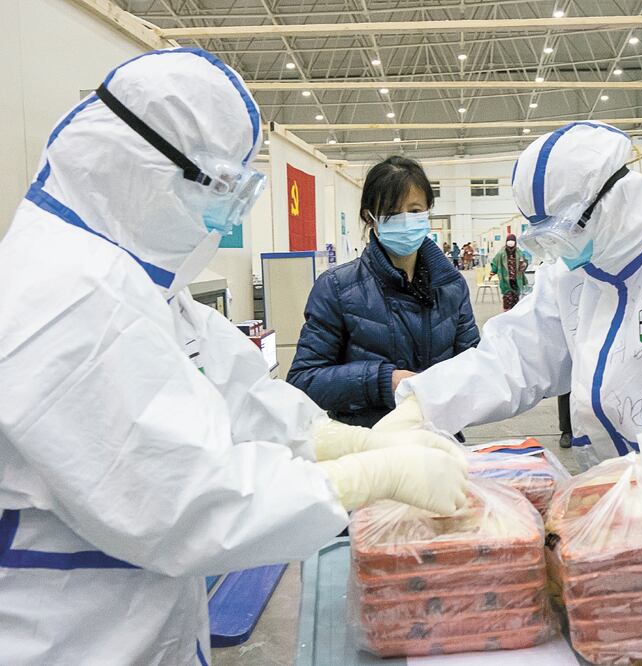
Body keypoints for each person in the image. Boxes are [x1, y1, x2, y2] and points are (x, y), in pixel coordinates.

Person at [0, 49, 469, 664]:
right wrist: (368, 477)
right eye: (221, 190)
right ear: (149, 172)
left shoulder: (141, 286)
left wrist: (350, 444)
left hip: (141, 616)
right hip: (68, 638)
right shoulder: (62, 299)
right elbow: (186, 504)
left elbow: (243, 397)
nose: (224, 220)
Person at [377, 121, 642, 664]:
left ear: (615, 194)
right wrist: (422, 406)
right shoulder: (578, 272)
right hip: (632, 519)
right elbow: (515, 356)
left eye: (562, 228)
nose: (556, 247)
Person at [287, 156, 479, 428]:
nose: (405, 221)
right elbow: (304, 380)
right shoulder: (337, 287)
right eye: (391, 212)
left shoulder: (451, 286)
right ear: (370, 217)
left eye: (414, 210)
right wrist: (383, 380)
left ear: (427, 212)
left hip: (438, 441)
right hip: (367, 448)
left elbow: (472, 366)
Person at [489, 233, 528, 311]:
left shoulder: (519, 252)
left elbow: (525, 262)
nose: (511, 242)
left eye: (512, 241)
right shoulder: (501, 253)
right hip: (505, 280)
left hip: (517, 279)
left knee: (515, 298)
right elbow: (495, 263)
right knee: (507, 298)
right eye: (509, 241)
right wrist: (492, 272)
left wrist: (523, 265)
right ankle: (506, 315)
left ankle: (513, 315)